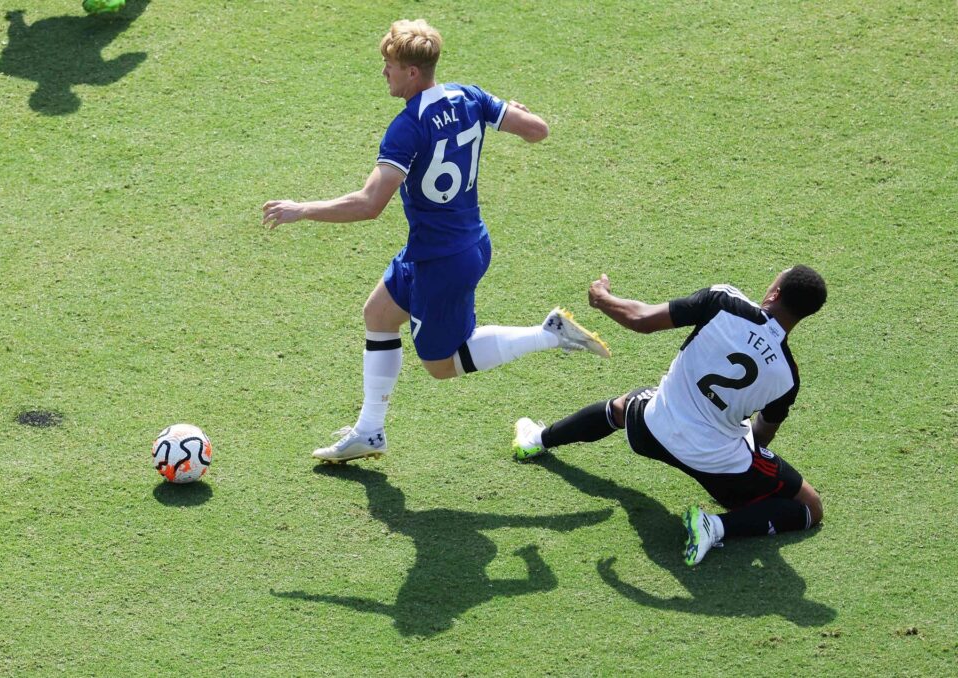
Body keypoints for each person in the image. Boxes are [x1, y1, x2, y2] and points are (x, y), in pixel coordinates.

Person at [262, 19, 609, 463]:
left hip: (442, 261)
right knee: (378, 315)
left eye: (388, 65)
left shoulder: (408, 127)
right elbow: (537, 130)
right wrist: (514, 111)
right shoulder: (470, 96)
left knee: (442, 366)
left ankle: (548, 335)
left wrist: (302, 209)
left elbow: (370, 204)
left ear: (411, 72)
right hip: (450, 244)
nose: (383, 73)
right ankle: (369, 432)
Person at [512, 266, 828, 566]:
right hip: (719, 470)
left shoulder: (724, 301)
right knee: (810, 507)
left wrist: (602, 299)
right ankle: (715, 527)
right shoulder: (788, 377)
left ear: (773, 295)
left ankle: (536, 439)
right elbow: (762, 435)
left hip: (650, 431)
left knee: (625, 406)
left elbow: (641, 319)